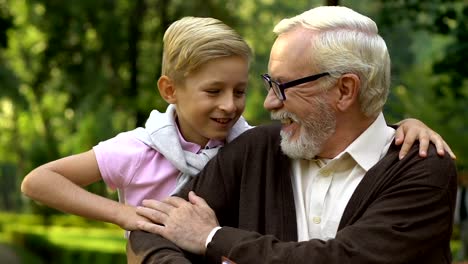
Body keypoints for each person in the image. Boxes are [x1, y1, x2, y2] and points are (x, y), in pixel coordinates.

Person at [128, 6, 458, 264]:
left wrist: (212, 238)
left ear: (344, 90)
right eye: (269, 84)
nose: (270, 102)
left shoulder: (422, 170)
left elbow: (339, 260)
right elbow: (151, 232)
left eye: (282, 86)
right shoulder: (255, 150)